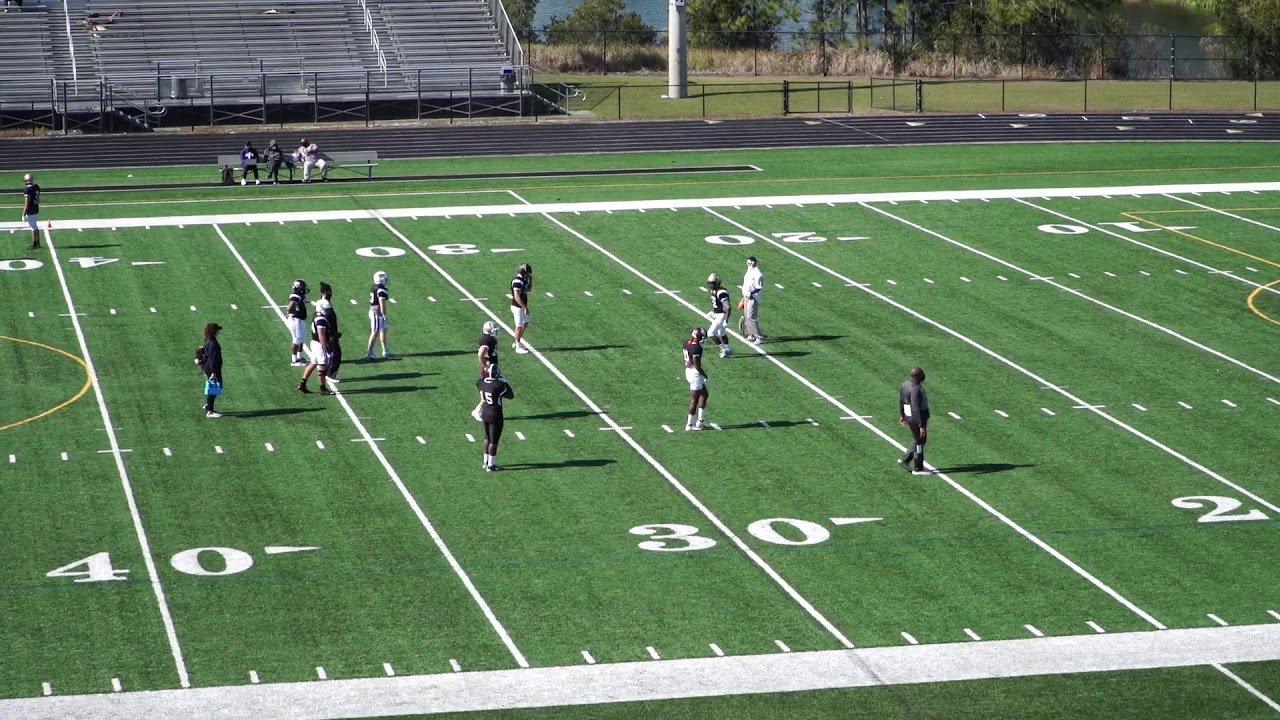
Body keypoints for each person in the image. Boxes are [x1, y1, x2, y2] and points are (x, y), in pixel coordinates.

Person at [298, 284, 337, 395]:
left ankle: (302, 384)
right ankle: (322, 388)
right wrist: (326, 347)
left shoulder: (317, 316)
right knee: (322, 364)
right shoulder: (321, 319)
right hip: (319, 344)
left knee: (313, 363)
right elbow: (321, 335)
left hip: (315, 343)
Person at [476, 364, 514, 471]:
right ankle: (491, 465)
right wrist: (505, 382)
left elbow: (483, 381)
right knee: (493, 440)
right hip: (495, 414)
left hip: (485, 413)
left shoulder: (480, 383)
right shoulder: (499, 385)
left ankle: (485, 462)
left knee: (487, 437)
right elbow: (511, 395)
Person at [898, 367, 932, 476]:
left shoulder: (905, 385)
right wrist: (921, 425)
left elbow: (902, 400)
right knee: (920, 441)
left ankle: (906, 459)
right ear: (917, 376)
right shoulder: (915, 389)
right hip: (916, 417)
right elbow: (915, 407)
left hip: (909, 416)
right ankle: (917, 467)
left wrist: (902, 415)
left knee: (918, 439)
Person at [471, 320, 501, 422]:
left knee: (492, 391)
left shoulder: (488, 339)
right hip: (489, 370)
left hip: (491, 369)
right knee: (491, 391)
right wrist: (486, 366)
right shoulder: (488, 340)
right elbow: (480, 354)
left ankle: (480, 409)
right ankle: (478, 410)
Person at [683, 327, 708, 431]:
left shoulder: (686, 343)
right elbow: (696, 363)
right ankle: (689, 425)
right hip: (695, 373)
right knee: (695, 400)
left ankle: (700, 421)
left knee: (705, 394)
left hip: (689, 371)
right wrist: (704, 375)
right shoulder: (697, 348)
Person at [197, 323, 223, 418]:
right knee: (214, 388)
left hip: (209, 367)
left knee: (215, 387)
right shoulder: (212, 344)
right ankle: (210, 411)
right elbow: (212, 359)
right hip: (212, 368)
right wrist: (213, 373)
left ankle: (208, 405)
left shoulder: (209, 341)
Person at [365, 270, 392, 359]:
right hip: (377, 313)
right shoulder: (381, 290)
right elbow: (382, 303)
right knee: (375, 331)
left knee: (383, 329)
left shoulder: (374, 287)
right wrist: (384, 315)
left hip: (374, 311)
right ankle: (369, 352)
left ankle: (385, 350)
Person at [706, 273, 733, 358]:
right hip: (718, 314)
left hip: (721, 315)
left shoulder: (721, 292)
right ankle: (728, 348)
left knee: (710, 333)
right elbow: (718, 305)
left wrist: (725, 320)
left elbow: (728, 307)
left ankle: (723, 348)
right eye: (709, 283)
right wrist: (714, 312)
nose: (710, 285)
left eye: (712, 283)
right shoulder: (714, 291)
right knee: (721, 333)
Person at [739, 256, 765, 343]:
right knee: (746, 316)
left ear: (754, 262)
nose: (748, 264)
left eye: (750, 263)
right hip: (746, 296)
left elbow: (759, 287)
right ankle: (751, 334)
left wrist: (751, 293)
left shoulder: (757, 273)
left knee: (751, 317)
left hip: (753, 297)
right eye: (748, 263)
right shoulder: (749, 271)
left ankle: (759, 337)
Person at [510, 263, 532, 354]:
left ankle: (517, 341)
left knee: (525, 323)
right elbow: (516, 296)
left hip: (522, 306)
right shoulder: (517, 281)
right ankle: (517, 346)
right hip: (517, 307)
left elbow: (529, 290)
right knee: (519, 326)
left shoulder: (524, 279)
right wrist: (524, 307)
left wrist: (531, 281)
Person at [286, 279, 308, 366]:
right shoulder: (295, 296)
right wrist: (292, 312)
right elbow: (290, 307)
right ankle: (294, 360)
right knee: (296, 339)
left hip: (300, 319)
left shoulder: (299, 296)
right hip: (295, 320)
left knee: (302, 338)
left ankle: (300, 357)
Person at [20, 173, 40, 251]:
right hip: (35, 208)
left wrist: (23, 214)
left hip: (30, 210)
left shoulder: (27, 190)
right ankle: (38, 242)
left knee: (33, 227)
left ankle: (34, 243)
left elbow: (26, 203)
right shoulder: (36, 187)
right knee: (35, 226)